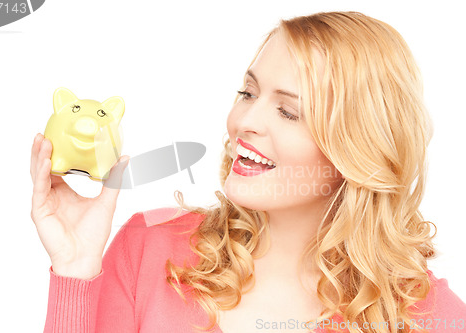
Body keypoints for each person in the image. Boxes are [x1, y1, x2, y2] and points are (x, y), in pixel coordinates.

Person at [31, 11, 466, 333]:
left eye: (289, 112)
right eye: (248, 92)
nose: (245, 121)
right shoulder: (147, 250)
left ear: (357, 150)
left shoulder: (430, 318)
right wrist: (74, 270)